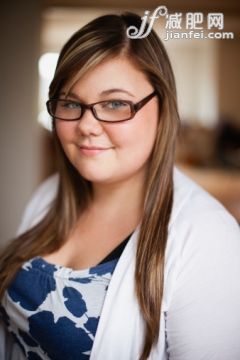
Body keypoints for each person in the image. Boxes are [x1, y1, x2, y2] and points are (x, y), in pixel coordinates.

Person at [0, 12, 240, 360]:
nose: (86, 125)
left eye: (114, 104)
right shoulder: (49, 194)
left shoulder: (210, 239)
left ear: (163, 109)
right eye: (70, 103)